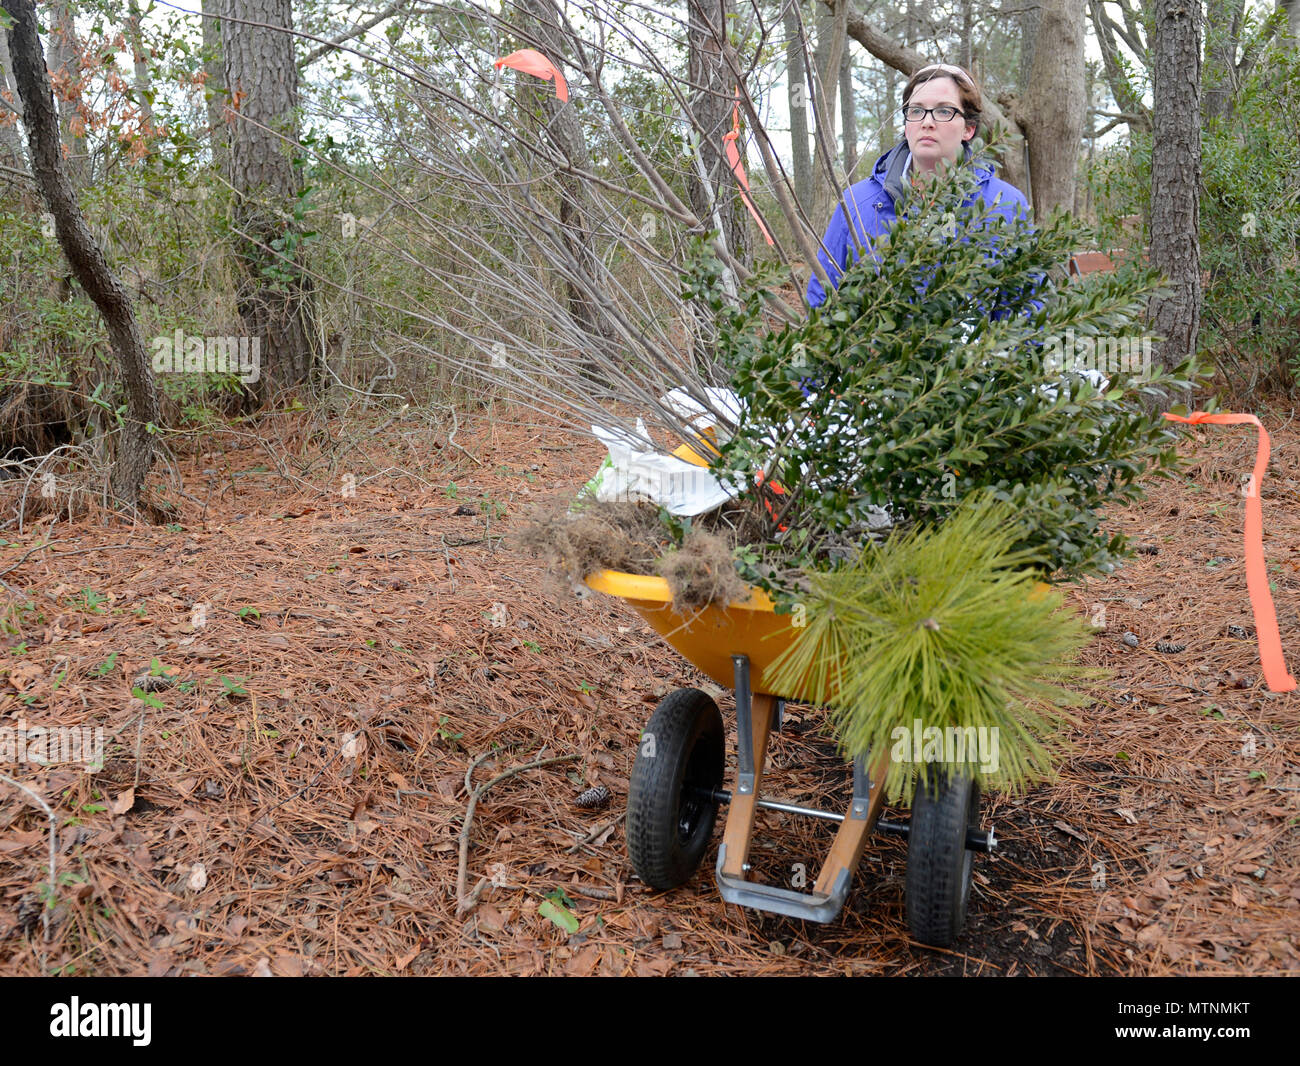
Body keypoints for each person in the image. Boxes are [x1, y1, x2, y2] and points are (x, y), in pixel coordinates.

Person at [806, 63, 1031, 310]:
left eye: (944, 111)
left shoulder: (1005, 204)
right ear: (906, 124)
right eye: (917, 111)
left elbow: (1027, 308)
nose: (927, 122)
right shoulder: (858, 203)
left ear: (968, 129)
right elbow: (822, 299)